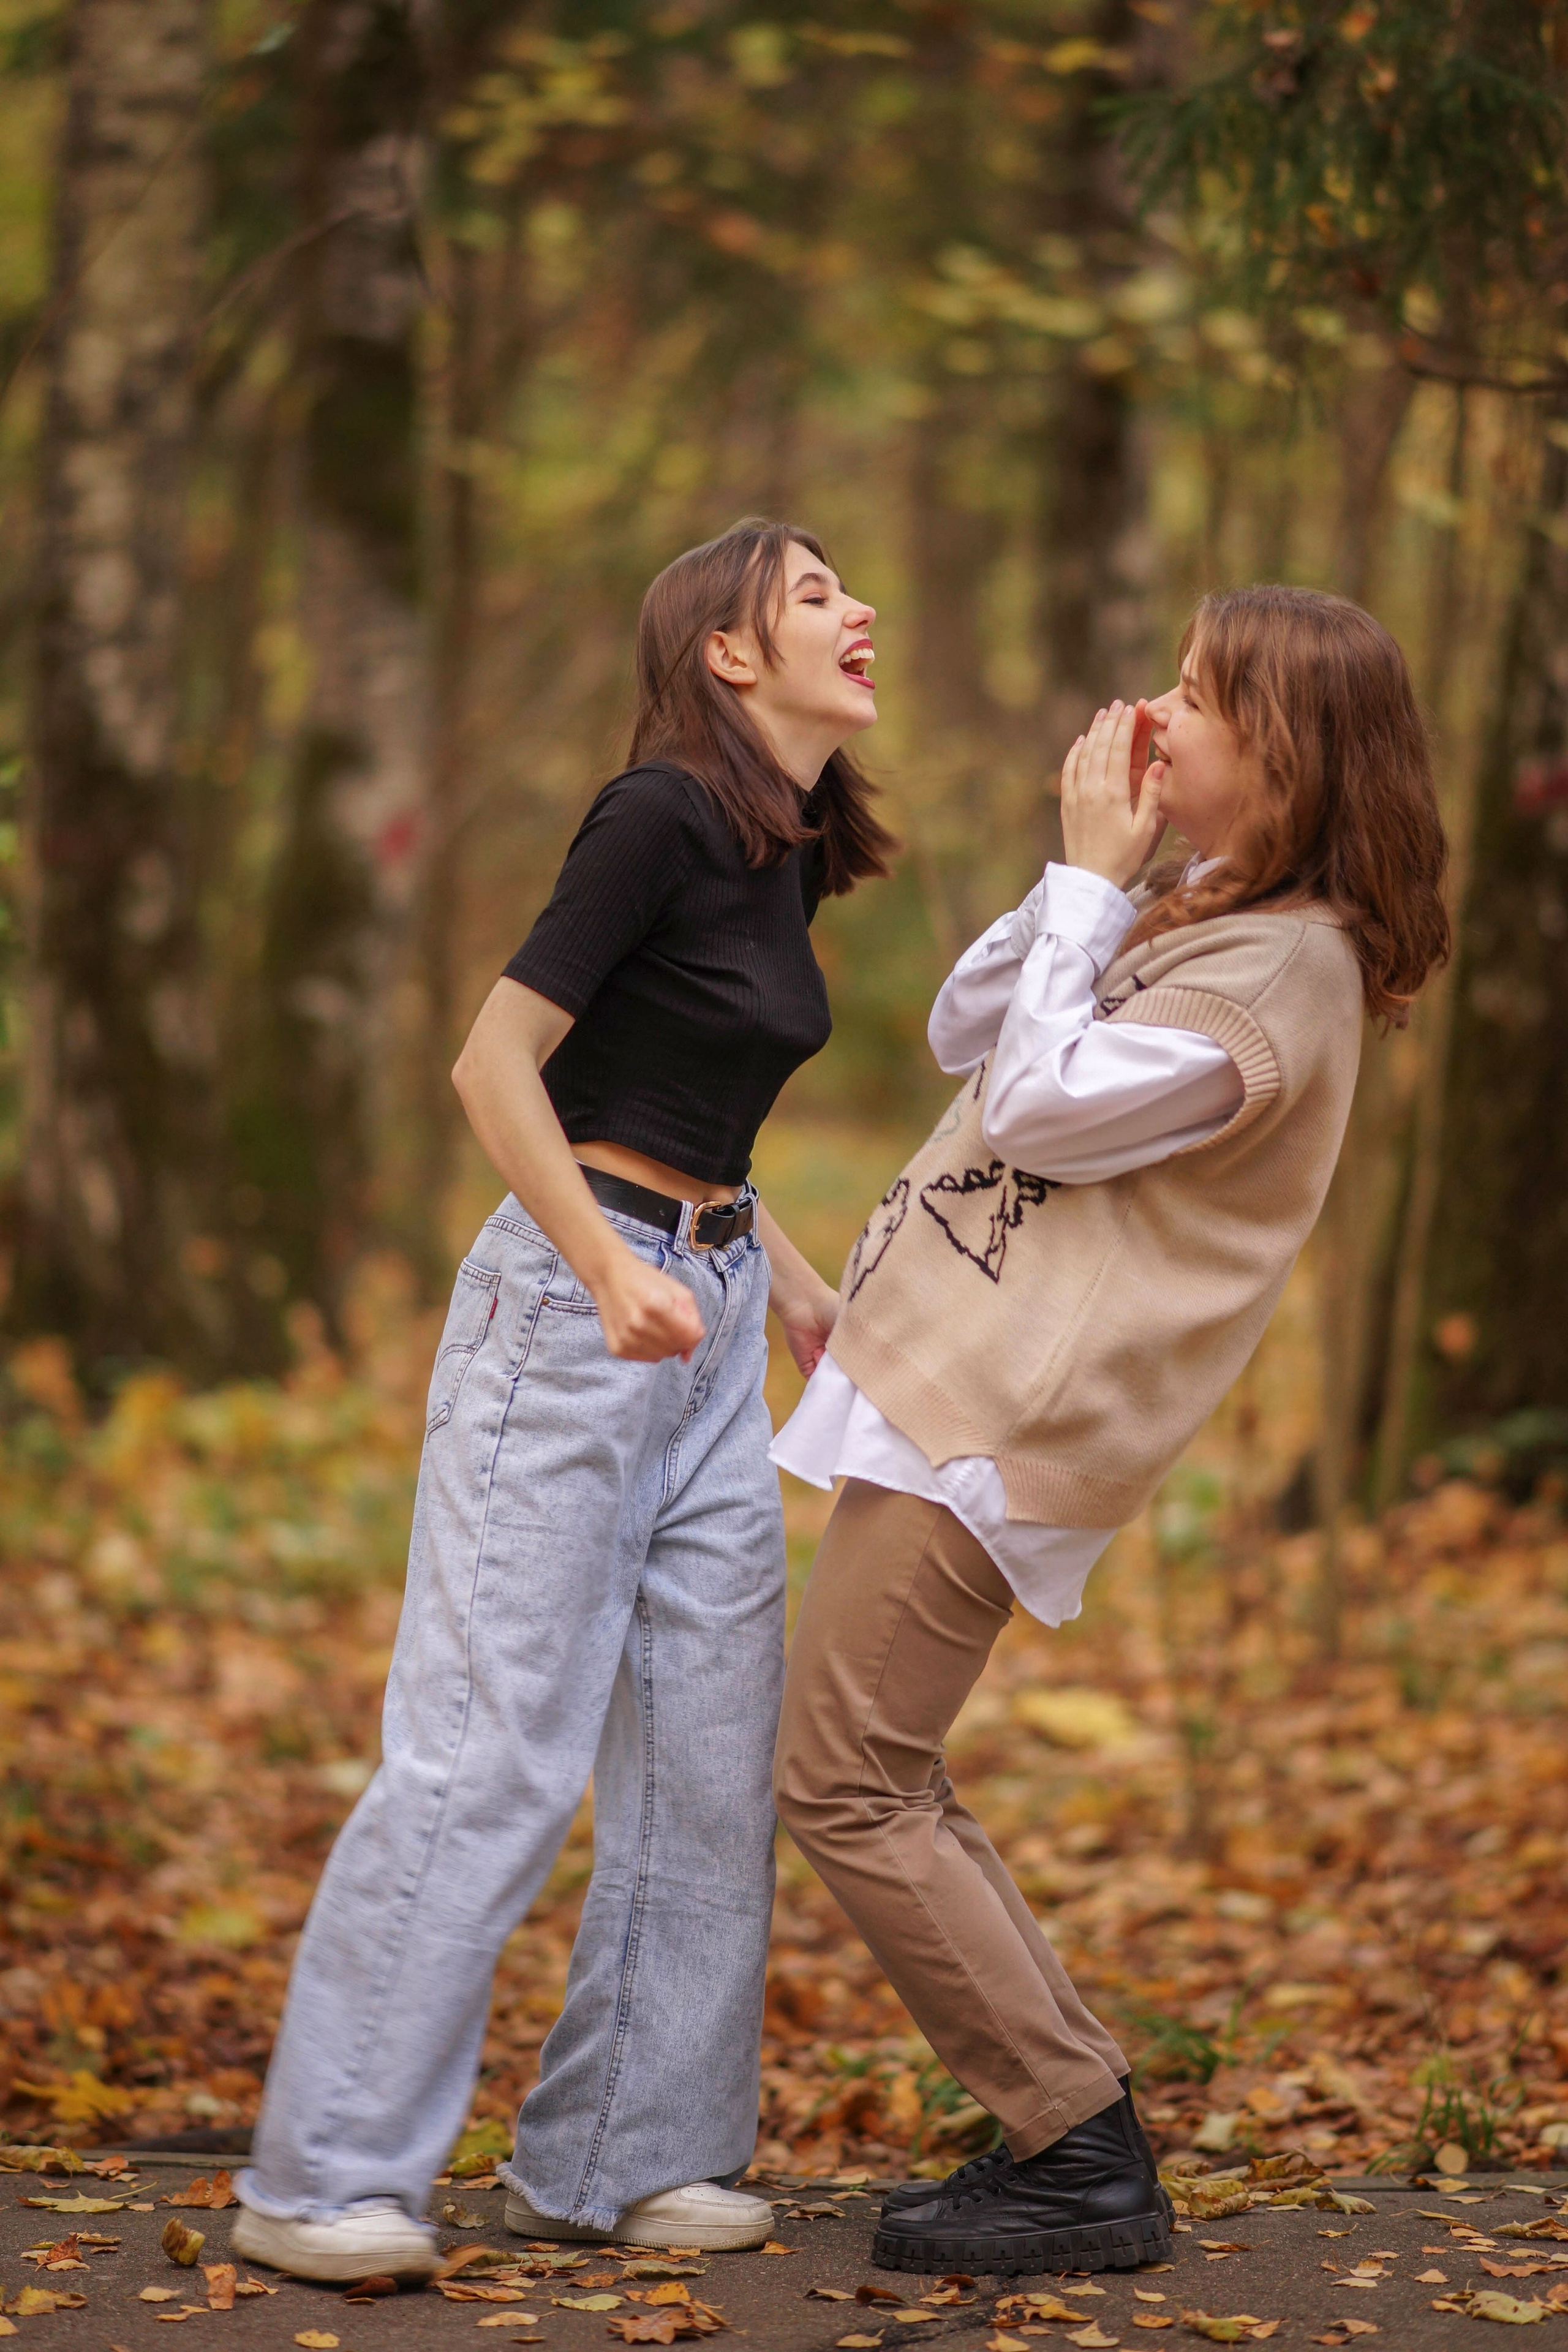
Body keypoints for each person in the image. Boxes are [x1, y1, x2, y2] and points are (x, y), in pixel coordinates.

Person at [233, 520, 894, 2284]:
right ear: (729, 651)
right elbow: (495, 1061)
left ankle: (624, 2155)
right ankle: (326, 2177)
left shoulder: (783, 843)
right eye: (818, 590)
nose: (861, 611)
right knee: (492, 1738)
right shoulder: (661, 810)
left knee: (700, 1751)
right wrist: (608, 1272)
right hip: (576, 1308)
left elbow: (681, 1088)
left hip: (708, 1301)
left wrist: (789, 1268)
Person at [771, 584, 1450, 2277]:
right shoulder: (1203, 912)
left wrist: (1093, 887)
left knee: (842, 1777)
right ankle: (1070, 2129)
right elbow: (960, 1031)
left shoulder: (1283, 981)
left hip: (1007, 1416)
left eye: (1202, 699)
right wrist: (1098, 878)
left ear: (1285, 756)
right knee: (887, 1769)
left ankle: (1074, 2151)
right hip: (960, 1386)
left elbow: (1032, 1110)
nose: (1159, 710)